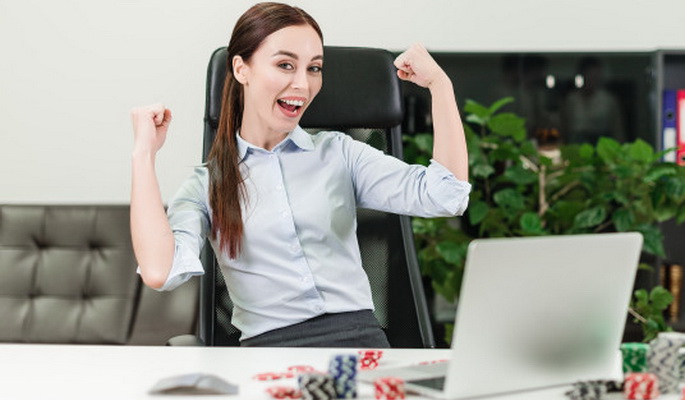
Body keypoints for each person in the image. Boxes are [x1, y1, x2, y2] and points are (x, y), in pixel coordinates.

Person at [129, 2, 469, 348]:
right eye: (285, 65)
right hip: (269, 355)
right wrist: (144, 155)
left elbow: (447, 195)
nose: (302, 84)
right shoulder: (208, 184)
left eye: (314, 68)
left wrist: (440, 86)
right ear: (241, 69)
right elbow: (160, 272)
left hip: (360, 346)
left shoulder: (340, 154)